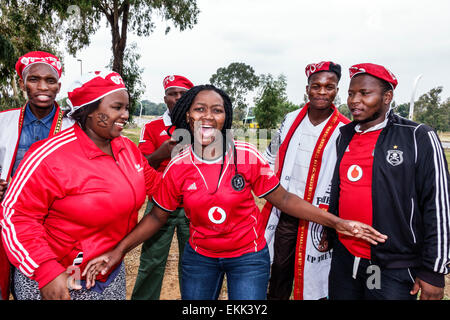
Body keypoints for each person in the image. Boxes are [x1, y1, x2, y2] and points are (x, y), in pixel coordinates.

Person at [83, 84, 387, 300]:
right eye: (199, 109)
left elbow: (283, 199)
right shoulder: (178, 166)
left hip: (248, 258)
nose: (207, 117)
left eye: (216, 110)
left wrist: (336, 222)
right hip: (200, 257)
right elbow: (157, 217)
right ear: (186, 115)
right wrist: (118, 251)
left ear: (225, 117)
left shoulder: (246, 155)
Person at [0, 70, 161, 300]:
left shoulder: (128, 150)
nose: (126, 115)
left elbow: (162, 188)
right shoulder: (48, 156)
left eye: (127, 107)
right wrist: (46, 271)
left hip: (109, 275)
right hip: (57, 280)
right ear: (89, 111)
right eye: (117, 107)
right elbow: (15, 216)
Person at [327, 63, 450, 300]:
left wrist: (434, 271)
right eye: (351, 93)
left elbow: (438, 204)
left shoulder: (418, 136)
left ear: (387, 97)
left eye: (365, 93)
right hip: (345, 259)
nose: (354, 100)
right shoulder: (345, 135)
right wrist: (328, 230)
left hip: (388, 266)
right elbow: (339, 189)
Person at [264, 61, 350, 300]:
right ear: (307, 88)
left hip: (321, 214)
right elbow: (272, 154)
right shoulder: (290, 119)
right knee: (279, 270)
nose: (322, 92)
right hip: (287, 209)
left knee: (317, 274)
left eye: (329, 87)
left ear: (336, 91)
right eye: (317, 86)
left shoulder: (345, 129)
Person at [0, 51, 73, 300]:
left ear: (59, 86)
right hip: (7, 221)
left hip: (54, 227)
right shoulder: (3, 121)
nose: (43, 87)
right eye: (34, 79)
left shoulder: (75, 127)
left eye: (50, 81)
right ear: (22, 83)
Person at [132, 75, 193, 300]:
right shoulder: (152, 126)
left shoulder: (199, 124)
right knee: (151, 263)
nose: (177, 98)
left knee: (193, 264)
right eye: (172, 93)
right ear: (165, 97)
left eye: (182, 94)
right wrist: (162, 153)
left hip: (192, 205)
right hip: (159, 203)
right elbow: (141, 165)